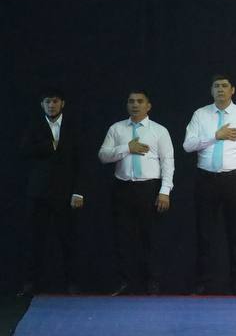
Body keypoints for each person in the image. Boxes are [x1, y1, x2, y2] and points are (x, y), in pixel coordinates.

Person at [182, 74, 236, 295]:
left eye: (224, 86)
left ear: (232, 90)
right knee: (204, 234)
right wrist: (215, 136)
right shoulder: (200, 114)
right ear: (211, 90)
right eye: (216, 86)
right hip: (206, 179)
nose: (220, 89)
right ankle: (203, 283)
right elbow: (187, 145)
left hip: (235, 180)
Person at [97, 90, 174, 296]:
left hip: (149, 188)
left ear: (148, 106)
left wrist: (165, 191)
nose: (135, 105)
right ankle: (125, 281)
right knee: (123, 237)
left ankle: (152, 282)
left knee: (151, 237)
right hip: (122, 188)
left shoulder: (159, 130)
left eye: (140, 101)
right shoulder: (117, 128)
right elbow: (103, 156)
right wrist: (127, 148)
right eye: (131, 101)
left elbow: (168, 162)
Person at [18, 89, 85, 295]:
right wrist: (49, 145)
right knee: (35, 240)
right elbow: (23, 151)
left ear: (62, 103)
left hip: (65, 194)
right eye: (47, 102)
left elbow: (81, 161)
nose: (51, 105)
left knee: (68, 240)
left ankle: (73, 284)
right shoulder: (34, 125)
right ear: (42, 105)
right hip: (39, 193)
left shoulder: (74, 127)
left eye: (55, 101)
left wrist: (78, 192)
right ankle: (31, 284)